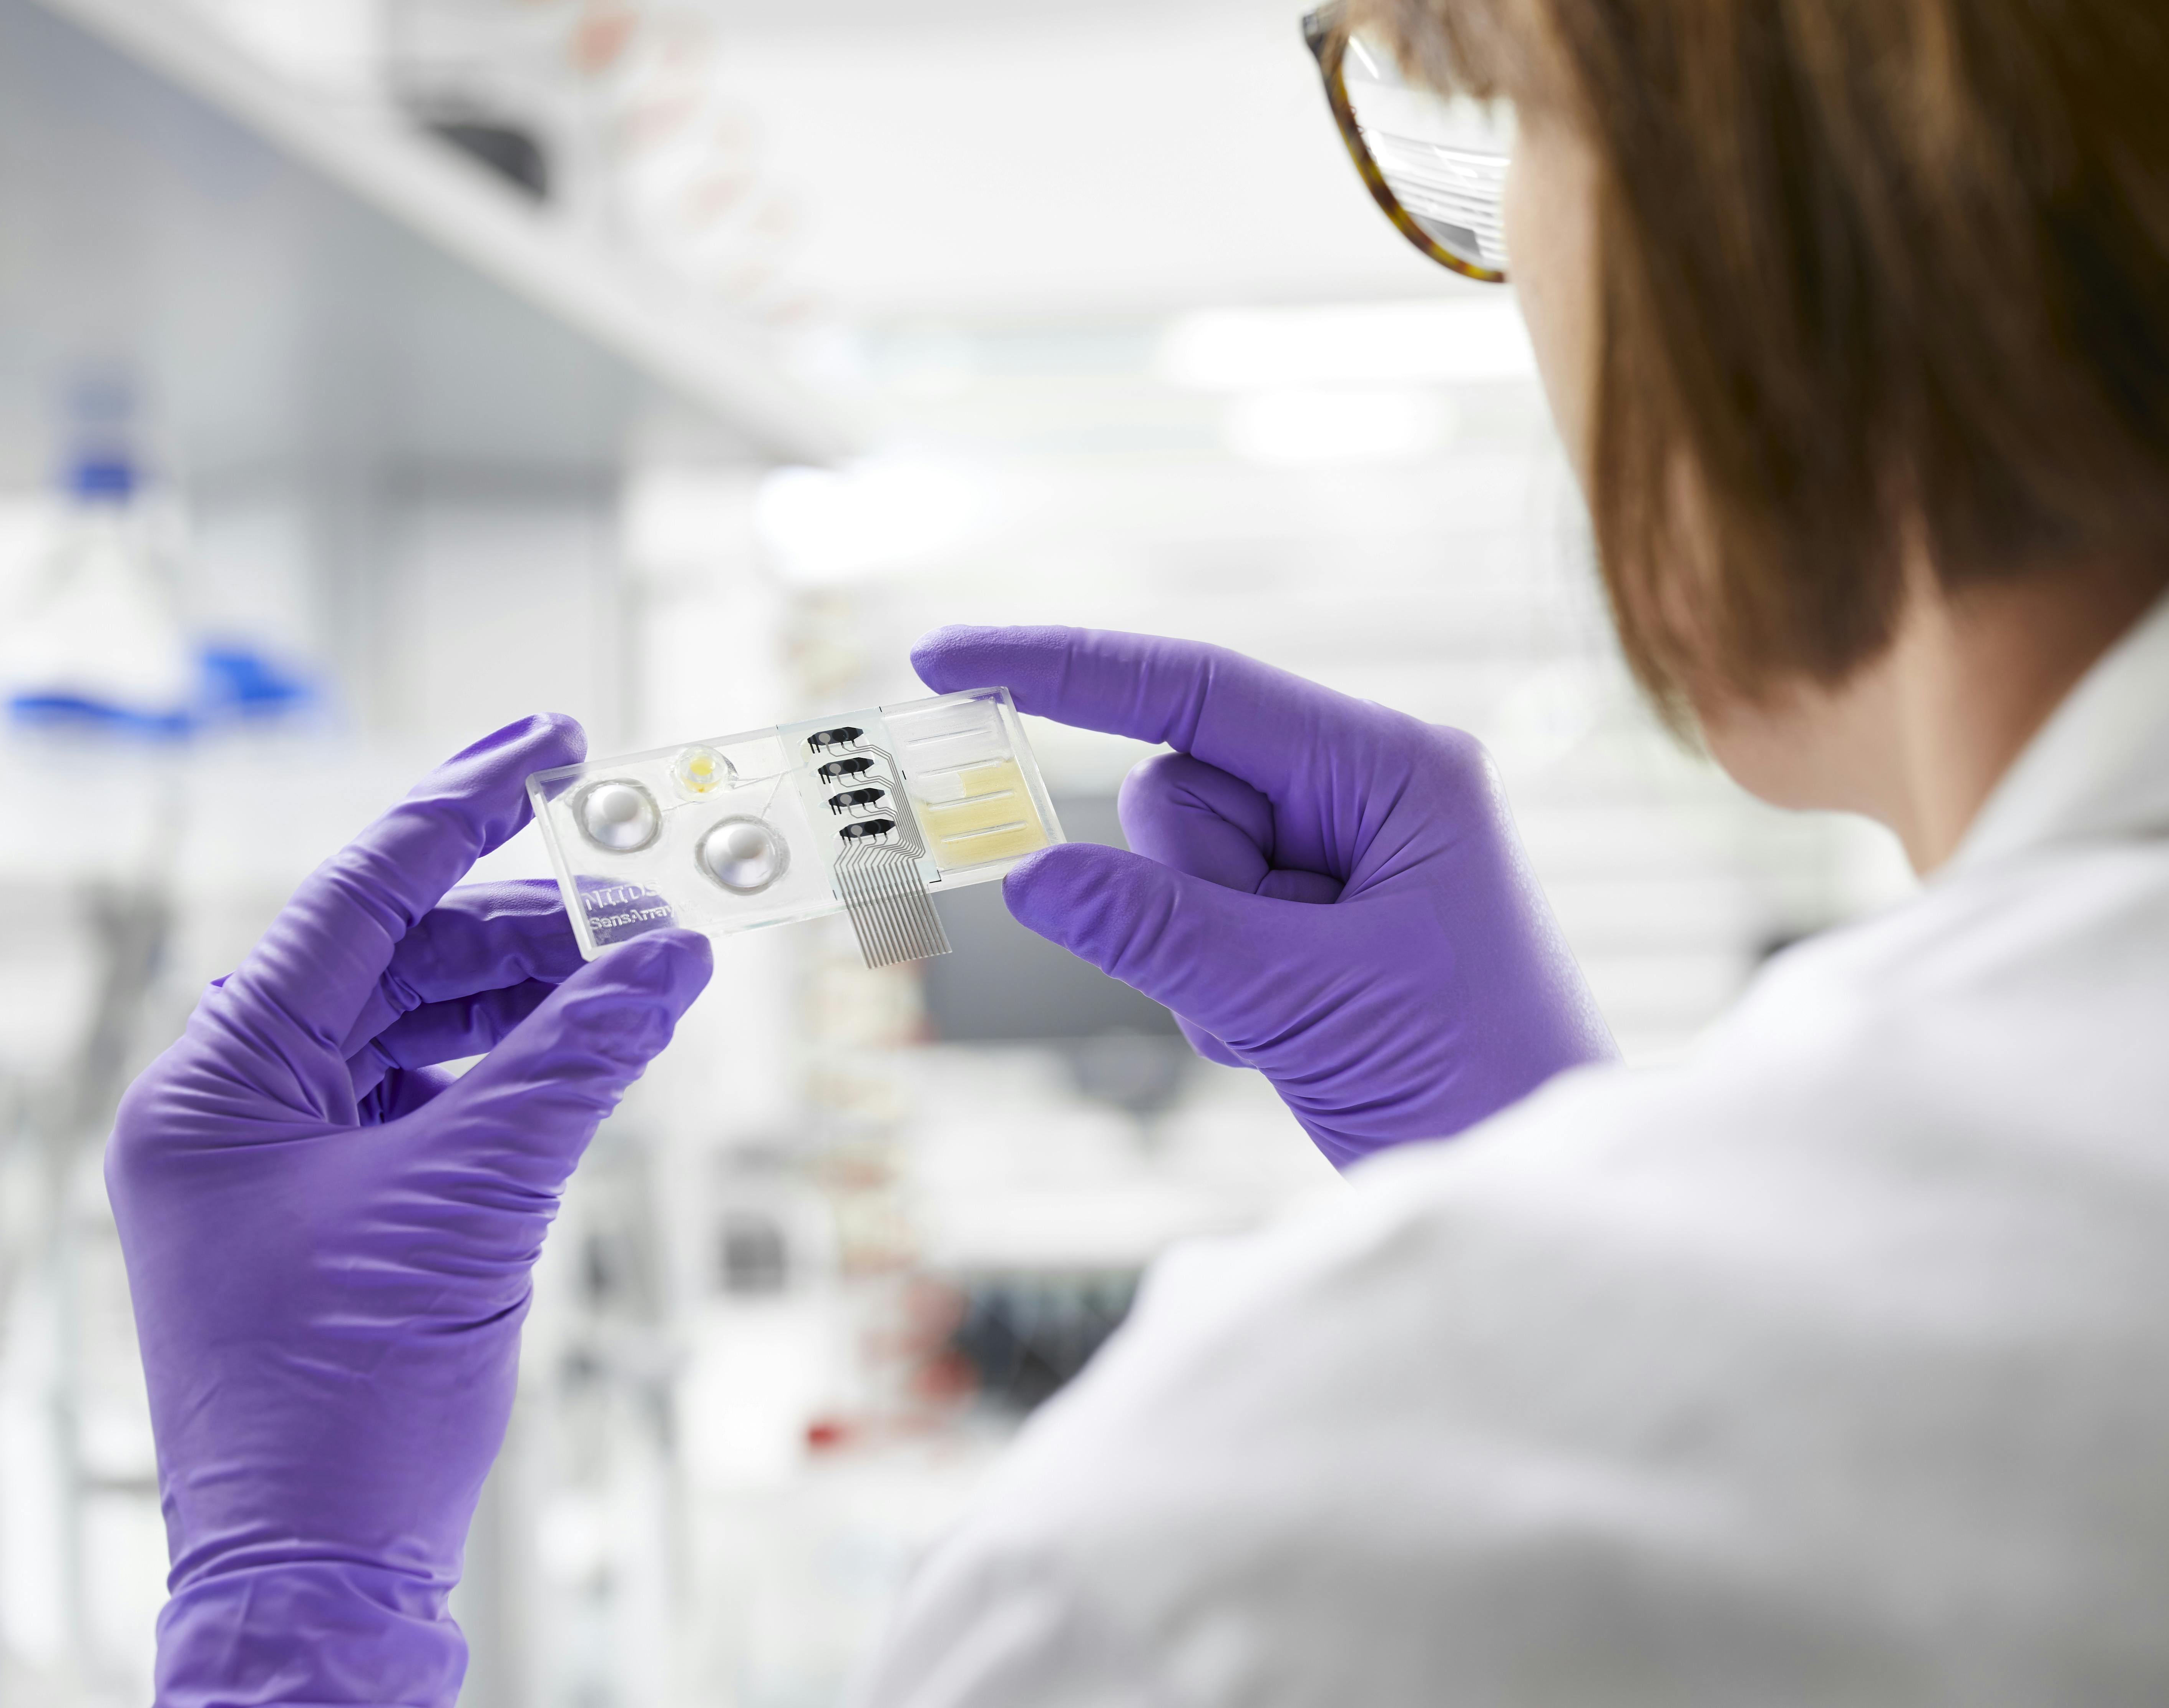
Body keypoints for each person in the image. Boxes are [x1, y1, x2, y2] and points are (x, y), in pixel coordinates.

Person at [105, 0, 2169, 1701]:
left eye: (1492, 126)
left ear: (1780, 184)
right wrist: (1545, 1174)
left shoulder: (1230, 1561)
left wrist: (298, 1608)